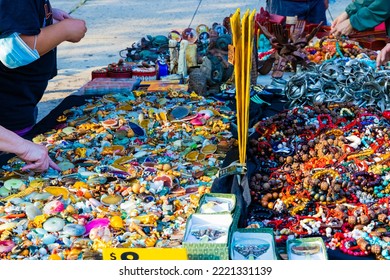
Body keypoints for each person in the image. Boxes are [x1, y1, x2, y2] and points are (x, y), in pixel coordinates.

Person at [0, 0, 87, 136]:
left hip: (20, 98)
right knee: (16, 153)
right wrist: (64, 30)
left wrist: (44, 15)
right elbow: (14, 52)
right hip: (10, 112)